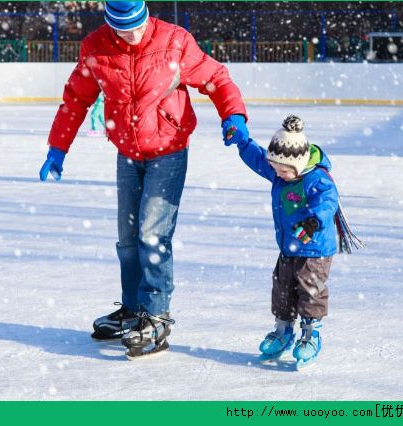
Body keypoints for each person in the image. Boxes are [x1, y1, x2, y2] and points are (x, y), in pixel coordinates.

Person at [39, 1, 248, 359]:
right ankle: (134, 309)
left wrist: (234, 116)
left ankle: (156, 316)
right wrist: (58, 149)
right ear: (109, 25)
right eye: (123, 30)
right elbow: (76, 99)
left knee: (152, 235)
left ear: (146, 16)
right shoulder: (96, 47)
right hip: (127, 153)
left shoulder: (174, 41)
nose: (132, 36)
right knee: (127, 238)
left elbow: (216, 78)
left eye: (137, 27)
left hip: (168, 150)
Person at [224, 115, 362, 369]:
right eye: (275, 169)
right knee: (282, 287)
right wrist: (242, 140)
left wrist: (313, 221)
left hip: (315, 248)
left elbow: (328, 200)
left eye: (283, 171)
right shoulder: (281, 169)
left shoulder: (316, 179)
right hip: (289, 246)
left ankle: (311, 334)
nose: (278, 175)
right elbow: (258, 159)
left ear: (298, 165)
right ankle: (284, 330)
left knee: (310, 290)